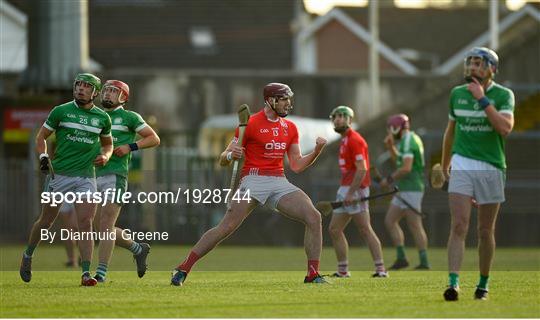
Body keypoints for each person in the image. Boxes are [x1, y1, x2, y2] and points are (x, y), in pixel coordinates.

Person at [170, 82, 328, 285]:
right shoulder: (250, 124)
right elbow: (223, 158)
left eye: (289, 99)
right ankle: (183, 268)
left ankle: (313, 274)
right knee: (226, 227)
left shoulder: (290, 128)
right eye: (284, 99)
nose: (288, 104)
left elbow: (296, 165)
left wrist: (316, 151)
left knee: (313, 217)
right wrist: (230, 154)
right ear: (270, 101)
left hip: (279, 180)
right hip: (252, 179)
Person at [20, 73, 113, 286]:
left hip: (86, 177)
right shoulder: (61, 111)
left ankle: (86, 273)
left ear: (95, 92)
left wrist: (106, 155)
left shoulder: (102, 118)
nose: (80, 89)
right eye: (78, 85)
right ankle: (28, 255)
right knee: (46, 221)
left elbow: (108, 144)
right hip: (59, 175)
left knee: (86, 222)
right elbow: (41, 137)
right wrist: (43, 156)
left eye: (86, 86)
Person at [441, 47, 514, 301]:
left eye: (478, 63)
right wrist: (445, 163)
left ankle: (483, 284)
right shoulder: (457, 94)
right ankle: (453, 283)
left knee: (485, 231)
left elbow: (504, 128)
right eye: (470, 63)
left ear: (492, 69)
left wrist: (483, 99)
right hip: (462, 163)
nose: (472, 68)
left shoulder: (504, 95)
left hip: (492, 166)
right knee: (459, 224)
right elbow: (450, 131)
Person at [92, 80, 160, 282]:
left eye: (114, 91)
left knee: (106, 226)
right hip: (92, 174)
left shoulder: (129, 117)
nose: (108, 94)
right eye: (107, 90)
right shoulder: (94, 115)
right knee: (102, 228)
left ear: (123, 97)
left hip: (116, 175)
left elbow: (153, 138)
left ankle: (101, 274)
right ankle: (138, 249)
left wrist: (131, 147)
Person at [327, 106, 388, 278]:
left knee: (364, 229)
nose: (338, 119)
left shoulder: (355, 140)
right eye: (335, 117)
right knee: (334, 229)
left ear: (349, 120)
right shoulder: (344, 140)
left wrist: (350, 193)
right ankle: (343, 270)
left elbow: (362, 170)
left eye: (342, 116)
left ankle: (381, 270)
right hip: (345, 189)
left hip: (356, 190)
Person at [380, 114, 430, 270]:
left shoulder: (409, 141)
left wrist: (388, 179)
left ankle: (424, 261)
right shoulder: (406, 140)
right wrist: (390, 148)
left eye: (391, 129)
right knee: (390, 220)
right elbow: (400, 161)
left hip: (412, 187)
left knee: (414, 224)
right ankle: (402, 258)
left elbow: (406, 168)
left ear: (397, 128)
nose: (390, 132)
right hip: (404, 188)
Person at [58, 202, 79, 267]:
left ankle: (82, 257)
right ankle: (71, 259)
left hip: (79, 195)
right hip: (63, 196)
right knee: (67, 230)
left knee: (76, 226)